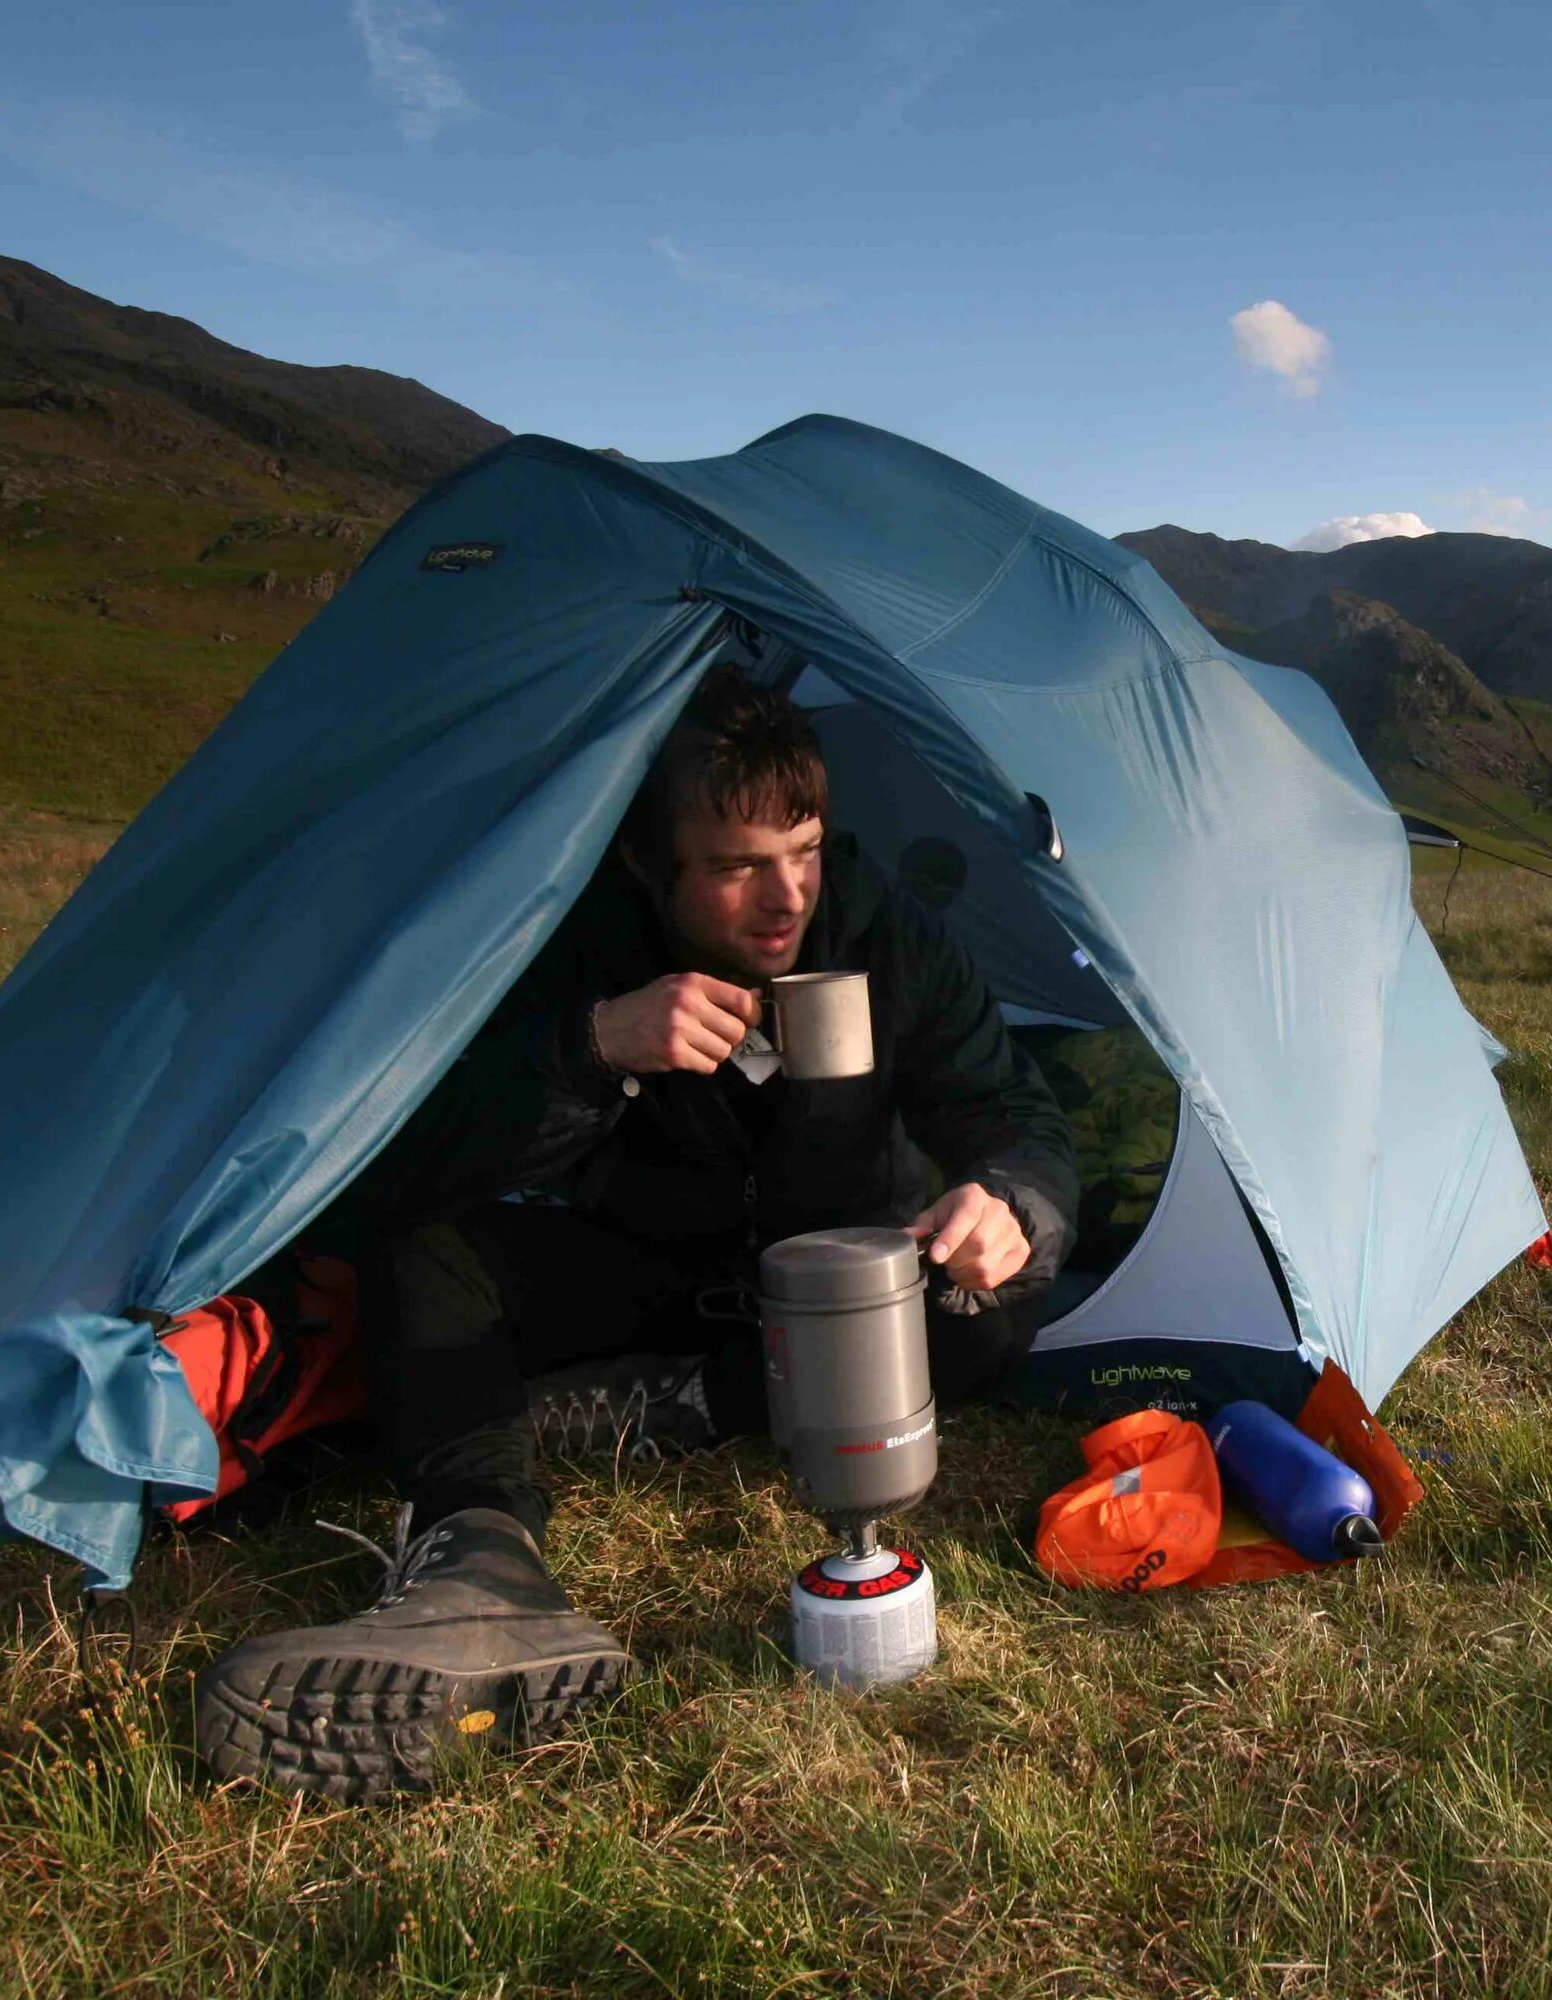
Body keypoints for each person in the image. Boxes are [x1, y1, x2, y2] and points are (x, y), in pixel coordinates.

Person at [194, 663, 1077, 1796]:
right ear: (645, 865)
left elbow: (1016, 1115)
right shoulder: (575, 939)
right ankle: (480, 1557)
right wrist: (591, 1047)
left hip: (834, 1292)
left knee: (985, 1316)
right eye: (736, 867)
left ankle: (673, 1403)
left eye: (804, 852)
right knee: (424, 1261)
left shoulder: (890, 935)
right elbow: (409, 1166)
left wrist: (1010, 1201)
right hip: (646, 1258)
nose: (785, 898)